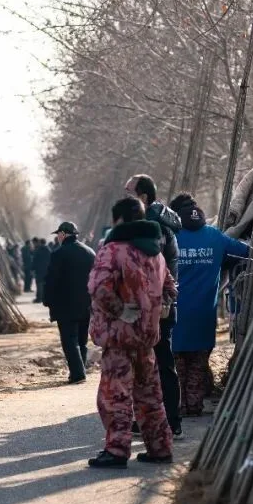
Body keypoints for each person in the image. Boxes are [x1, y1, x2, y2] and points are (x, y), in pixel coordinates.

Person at [87, 196, 176, 469]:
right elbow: (171, 288)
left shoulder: (112, 250)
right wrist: (161, 308)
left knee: (116, 394)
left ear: (120, 220)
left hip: (119, 337)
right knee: (150, 395)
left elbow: (99, 287)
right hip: (147, 338)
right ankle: (160, 448)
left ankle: (116, 450)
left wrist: (118, 310)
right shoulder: (156, 253)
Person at [168, 193, 250, 416]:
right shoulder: (215, 237)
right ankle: (194, 405)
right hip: (204, 316)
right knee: (197, 363)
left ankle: (177, 406)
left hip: (172, 315)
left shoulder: (169, 237)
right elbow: (247, 252)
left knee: (175, 365)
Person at [125, 174, 183, 438]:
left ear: (143, 198)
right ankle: (149, 419)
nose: (125, 199)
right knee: (148, 366)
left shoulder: (153, 228)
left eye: (129, 194)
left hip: (158, 308)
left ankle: (171, 421)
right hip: (154, 306)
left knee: (161, 364)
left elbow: (153, 271)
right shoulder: (152, 224)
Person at [43, 222, 96, 384]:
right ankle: (80, 371)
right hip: (87, 303)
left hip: (65, 305)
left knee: (69, 340)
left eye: (58, 234)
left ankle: (78, 374)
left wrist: (47, 299)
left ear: (64, 234)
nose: (57, 238)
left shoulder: (58, 253)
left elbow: (51, 280)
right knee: (82, 340)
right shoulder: (90, 252)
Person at [32, 237, 52, 304]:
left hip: (39, 270)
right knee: (44, 284)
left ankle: (39, 298)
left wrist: (33, 269)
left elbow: (34, 260)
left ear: (40, 243)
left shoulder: (38, 250)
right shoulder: (48, 250)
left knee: (39, 284)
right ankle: (44, 298)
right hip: (46, 270)